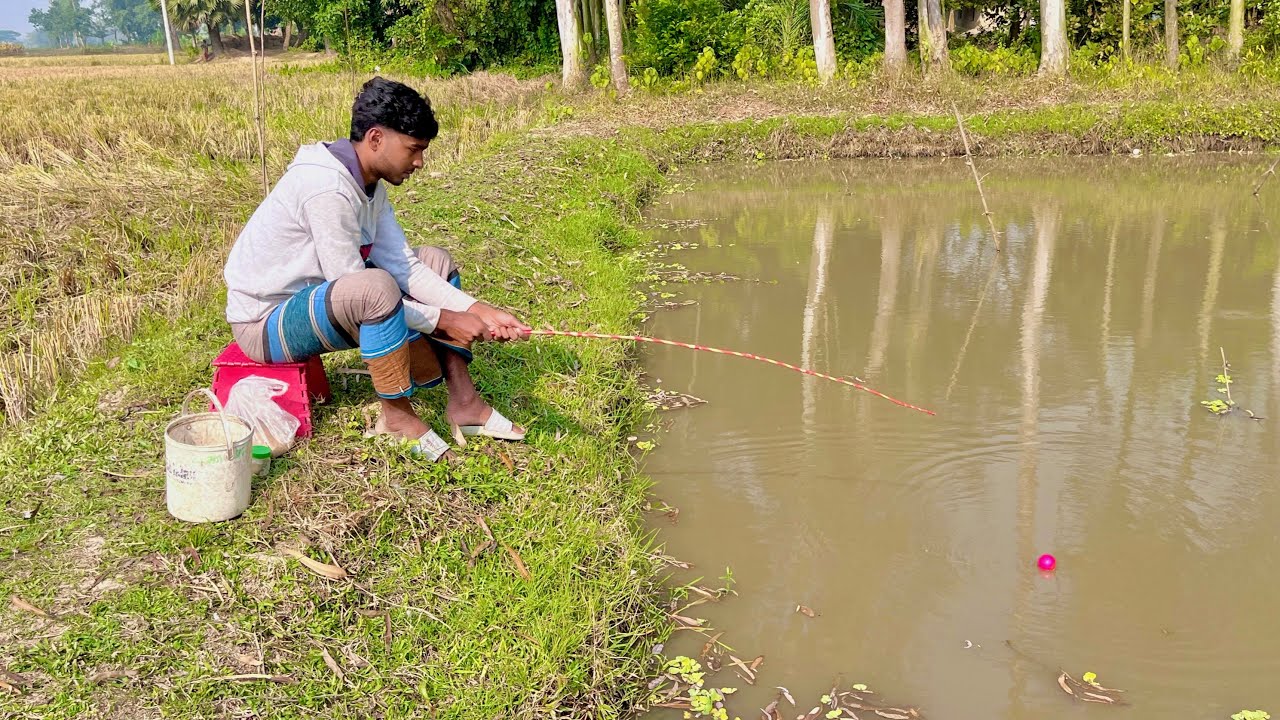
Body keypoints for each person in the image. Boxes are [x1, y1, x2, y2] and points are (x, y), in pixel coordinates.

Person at [223, 77, 530, 462]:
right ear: (375, 138)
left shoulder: (370, 185)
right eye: (414, 149)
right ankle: (397, 418)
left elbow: (405, 265)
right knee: (375, 287)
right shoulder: (326, 189)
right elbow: (354, 285)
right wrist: (444, 319)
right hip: (265, 324)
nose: (419, 162)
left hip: (320, 301)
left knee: (435, 260)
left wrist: (474, 309)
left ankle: (464, 403)